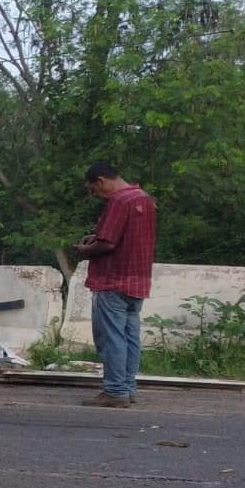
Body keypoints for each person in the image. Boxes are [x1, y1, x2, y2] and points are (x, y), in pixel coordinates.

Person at [70, 162, 157, 408]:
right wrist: (96, 237)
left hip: (113, 280)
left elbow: (107, 244)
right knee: (130, 337)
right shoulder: (144, 199)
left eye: (94, 190)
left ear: (101, 180)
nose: (97, 195)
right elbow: (122, 236)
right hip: (138, 279)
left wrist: (85, 249)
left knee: (112, 338)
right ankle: (127, 388)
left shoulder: (119, 201)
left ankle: (115, 390)